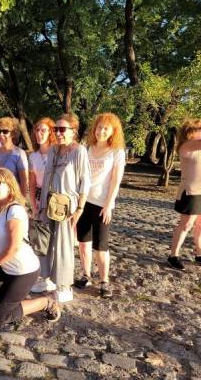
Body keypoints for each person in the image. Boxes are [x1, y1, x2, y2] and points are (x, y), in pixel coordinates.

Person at [0, 168, 60, 324]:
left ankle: (46, 301)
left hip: (23, 271)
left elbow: (14, 247)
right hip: (4, 267)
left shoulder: (15, 210)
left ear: (9, 186)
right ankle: (9, 295)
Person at [39, 113, 91, 303]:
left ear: (73, 132)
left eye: (62, 129)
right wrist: (41, 204)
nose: (58, 133)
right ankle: (46, 279)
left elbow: (85, 181)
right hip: (48, 203)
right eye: (56, 129)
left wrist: (79, 209)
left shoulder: (79, 151)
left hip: (66, 206)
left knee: (63, 245)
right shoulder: (53, 150)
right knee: (44, 242)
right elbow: (46, 178)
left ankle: (64, 286)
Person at [73, 113, 125, 298]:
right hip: (84, 202)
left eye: (106, 128)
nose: (101, 131)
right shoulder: (87, 148)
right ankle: (86, 275)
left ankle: (104, 281)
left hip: (102, 205)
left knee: (101, 246)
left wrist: (109, 205)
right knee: (83, 243)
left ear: (113, 132)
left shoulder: (117, 152)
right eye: (99, 127)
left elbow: (115, 181)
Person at [168, 118, 201, 270]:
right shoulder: (187, 146)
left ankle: (200, 253)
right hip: (191, 192)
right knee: (186, 224)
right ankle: (173, 256)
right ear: (191, 131)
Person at [28, 117, 57, 294]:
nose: (40, 134)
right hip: (39, 199)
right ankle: (43, 275)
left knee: (55, 239)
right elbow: (31, 182)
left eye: (44, 130)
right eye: (37, 130)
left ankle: (54, 277)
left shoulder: (57, 153)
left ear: (51, 132)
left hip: (54, 200)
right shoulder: (33, 156)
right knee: (40, 238)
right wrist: (34, 204)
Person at [0, 117, 29, 197]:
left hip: (12, 199)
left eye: (5, 131)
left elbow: (24, 181)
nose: (1, 134)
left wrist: (21, 202)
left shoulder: (19, 153)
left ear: (13, 133)